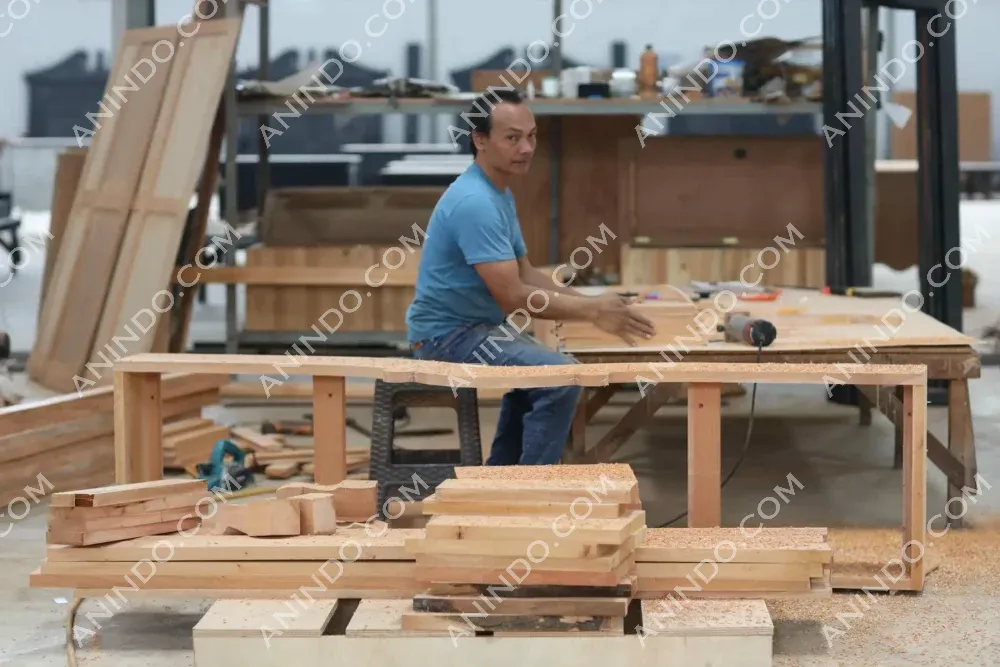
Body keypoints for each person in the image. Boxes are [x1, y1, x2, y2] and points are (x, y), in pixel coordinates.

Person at [405, 88, 655, 466]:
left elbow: (526, 273)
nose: (526, 148)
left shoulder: (497, 193)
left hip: (478, 328)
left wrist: (591, 304)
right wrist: (589, 313)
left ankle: (504, 481)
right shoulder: (476, 203)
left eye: (532, 136)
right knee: (561, 377)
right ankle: (532, 489)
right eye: (512, 138)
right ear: (480, 140)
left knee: (539, 375)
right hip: (446, 336)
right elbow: (512, 296)